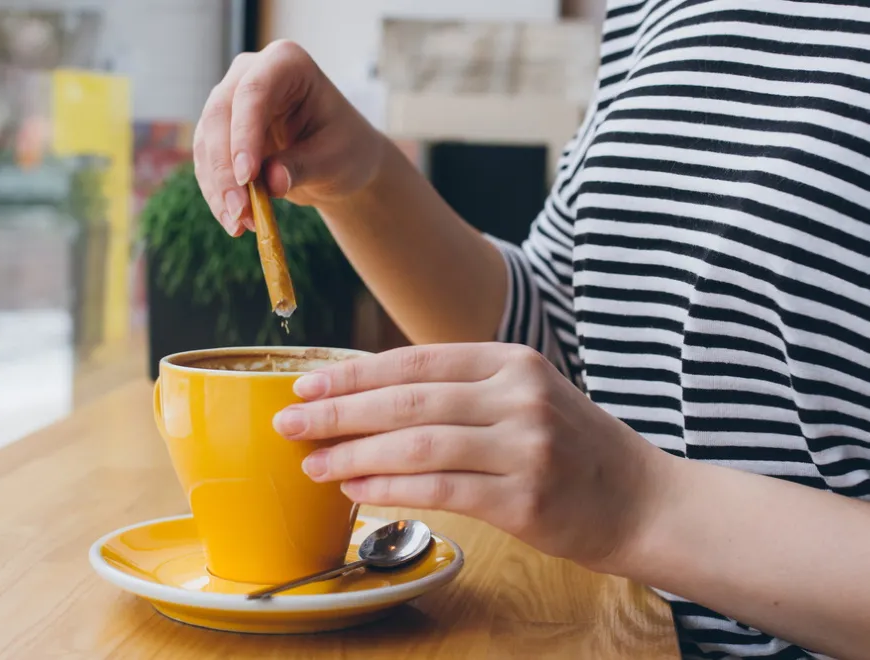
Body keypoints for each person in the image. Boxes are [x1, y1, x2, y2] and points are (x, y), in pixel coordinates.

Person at [193, 2, 870, 658]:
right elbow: (567, 333)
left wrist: (640, 505)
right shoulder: (651, 9)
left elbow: (612, 465)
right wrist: (362, 181)